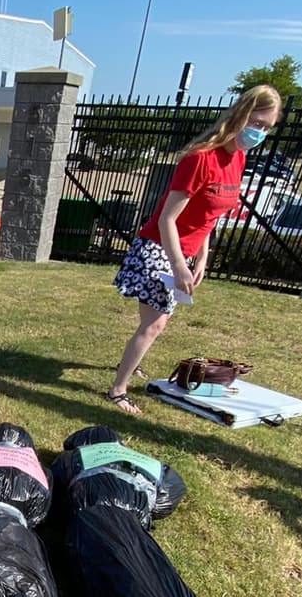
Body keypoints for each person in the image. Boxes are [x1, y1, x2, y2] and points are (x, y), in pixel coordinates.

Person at [105, 84, 282, 415]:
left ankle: (130, 363)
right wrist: (178, 265)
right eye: (257, 124)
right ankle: (117, 389)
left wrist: (201, 257)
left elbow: (209, 216)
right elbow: (167, 219)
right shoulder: (200, 159)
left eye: (267, 128)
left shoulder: (237, 158)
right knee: (155, 324)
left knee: (156, 322)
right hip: (158, 247)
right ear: (241, 115)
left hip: (184, 252)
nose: (260, 133)